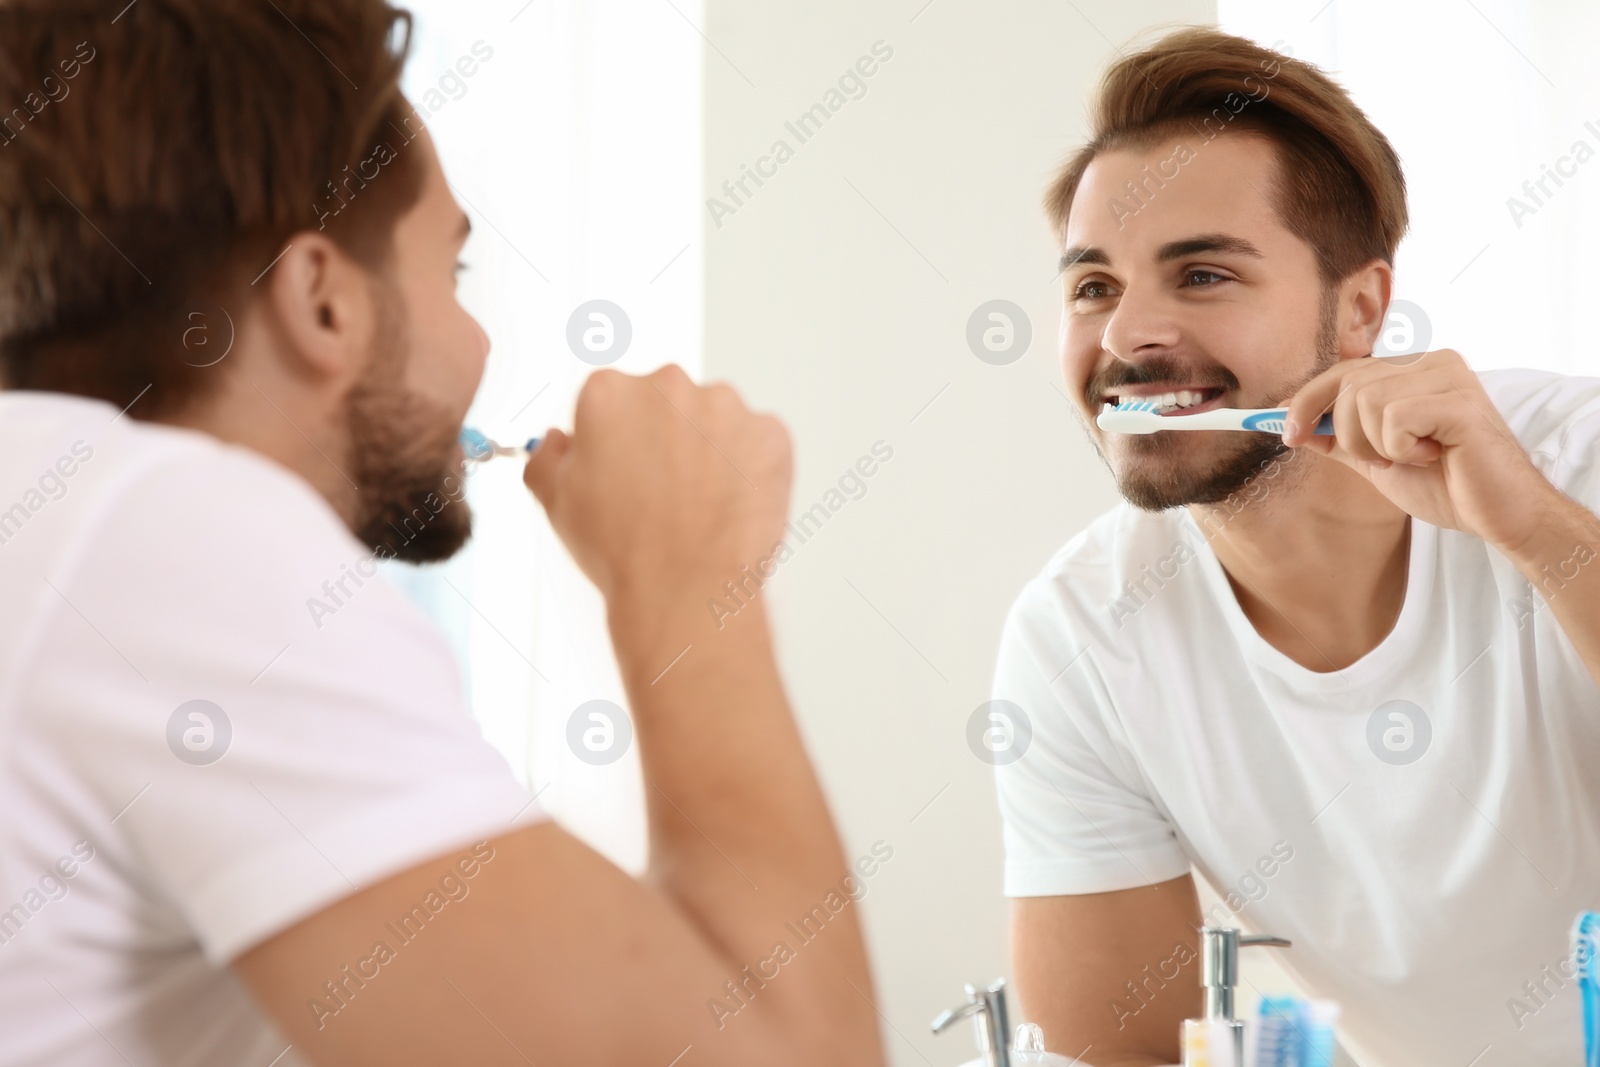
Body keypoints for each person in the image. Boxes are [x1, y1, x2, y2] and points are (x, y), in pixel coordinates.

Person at [0, 2, 883, 1065]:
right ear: (324, 302)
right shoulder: (164, 526)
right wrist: (688, 581)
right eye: (453, 274)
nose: (476, 341)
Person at [994, 27, 1600, 1067]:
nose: (1126, 334)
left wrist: (1536, 532)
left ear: (1360, 307)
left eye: (1201, 274)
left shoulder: (1570, 462)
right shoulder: (1084, 631)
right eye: (1092, 286)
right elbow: (1112, 1051)